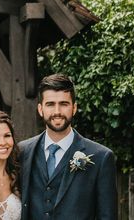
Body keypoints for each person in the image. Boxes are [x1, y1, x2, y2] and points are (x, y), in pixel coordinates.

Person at [19, 73, 117, 220]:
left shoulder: (101, 157)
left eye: (64, 104)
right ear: (40, 109)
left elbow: (107, 216)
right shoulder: (23, 151)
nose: (57, 112)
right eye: (50, 104)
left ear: (74, 108)